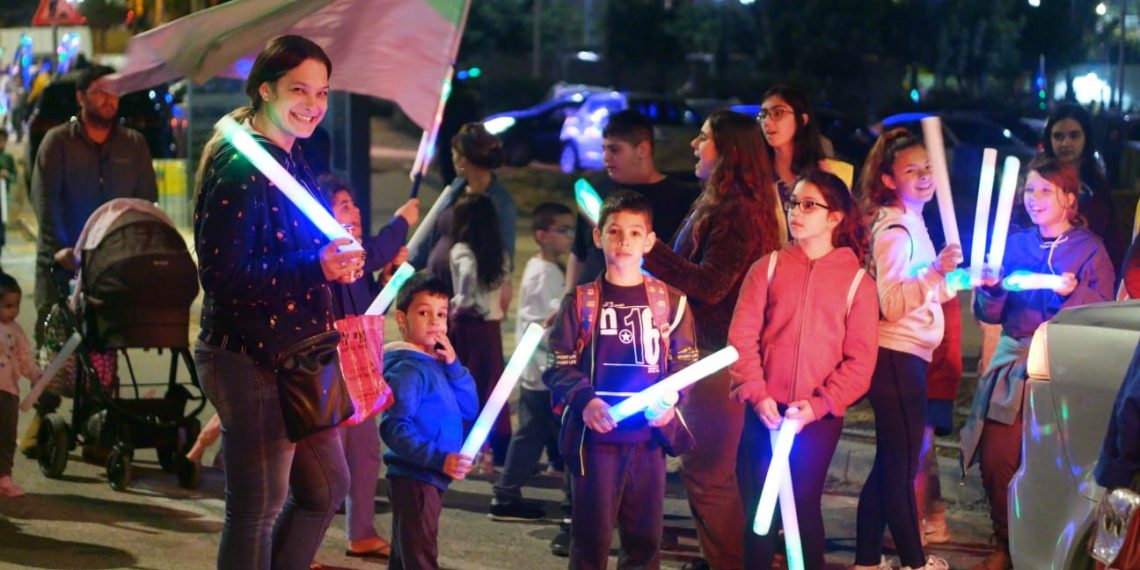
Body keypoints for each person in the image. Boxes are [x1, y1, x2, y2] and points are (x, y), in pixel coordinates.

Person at [192, 35, 360, 569]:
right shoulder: (240, 167)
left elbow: (296, 243)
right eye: (299, 90)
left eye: (323, 92)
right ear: (265, 89)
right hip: (247, 356)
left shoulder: (291, 154)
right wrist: (316, 266)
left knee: (327, 486)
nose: (313, 104)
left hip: (299, 352)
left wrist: (336, 257)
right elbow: (223, 277)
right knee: (257, 508)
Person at [642, 109, 784, 570]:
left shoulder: (739, 213)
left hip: (715, 358)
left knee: (707, 473)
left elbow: (710, 285)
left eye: (703, 138)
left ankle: (730, 562)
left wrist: (651, 250)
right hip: (699, 351)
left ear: (728, 153)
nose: (693, 145)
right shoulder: (719, 203)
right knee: (709, 471)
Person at [960, 157, 1115, 570]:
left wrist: (1067, 295)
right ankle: (1004, 541)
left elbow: (1097, 314)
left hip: (1062, 367)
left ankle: (1046, 547)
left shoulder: (1089, 249)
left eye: (1045, 190)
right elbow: (992, 313)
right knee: (997, 458)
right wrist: (990, 289)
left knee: (1055, 464)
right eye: (1029, 190)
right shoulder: (1014, 245)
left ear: (1068, 197)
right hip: (1015, 363)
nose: (1034, 199)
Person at [729, 170, 878, 570]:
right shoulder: (769, 268)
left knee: (803, 506)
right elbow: (742, 338)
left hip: (817, 416)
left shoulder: (858, 283)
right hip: (765, 409)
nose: (796, 211)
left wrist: (819, 405)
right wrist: (758, 394)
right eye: (794, 202)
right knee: (761, 510)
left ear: (835, 217)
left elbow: (860, 361)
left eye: (809, 204)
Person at [544, 190, 699, 570]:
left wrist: (670, 403)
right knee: (590, 542)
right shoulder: (580, 302)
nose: (624, 241)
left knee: (644, 542)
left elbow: (686, 365)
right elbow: (559, 365)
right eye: (614, 232)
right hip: (595, 443)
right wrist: (586, 400)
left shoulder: (672, 302)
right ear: (598, 237)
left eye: (634, 233)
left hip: (647, 442)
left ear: (649, 241)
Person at [852, 128, 959, 570]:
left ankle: (866, 560)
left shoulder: (913, 220)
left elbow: (932, 293)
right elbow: (892, 304)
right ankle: (915, 563)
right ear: (890, 179)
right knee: (899, 467)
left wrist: (960, 278)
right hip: (895, 356)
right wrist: (935, 272)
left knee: (889, 465)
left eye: (929, 168)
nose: (924, 177)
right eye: (911, 170)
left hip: (907, 356)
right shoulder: (895, 227)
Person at [320, 175, 419, 559]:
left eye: (354, 203)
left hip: (362, 372)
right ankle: (297, 545)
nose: (355, 211)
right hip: (328, 374)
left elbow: (367, 304)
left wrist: (389, 280)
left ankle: (361, 532)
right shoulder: (328, 255)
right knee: (326, 469)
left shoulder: (357, 258)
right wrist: (401, 221)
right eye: (344, 205)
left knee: (364, 456)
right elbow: (376, 250)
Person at [30, 64, 157, 343]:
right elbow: (45, 199)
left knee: (104, 363)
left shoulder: (134, 144)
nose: (108, 99)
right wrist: (61, 249)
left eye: (114, 92)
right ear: (80, 97)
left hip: (112, 269)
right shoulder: (58, 142)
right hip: (62, 268)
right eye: (100, 91)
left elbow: (145, 203)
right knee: (55, 357)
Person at [380, 271, 478, 570]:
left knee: (406, 556)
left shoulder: (435, 364)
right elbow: (394, 426)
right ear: (401, 319)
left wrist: (454, 367)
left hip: (428, 475)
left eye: (441, 313)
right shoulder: (409, 370)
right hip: (416, 476)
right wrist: (438, 458)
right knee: (420, 557)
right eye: (424, 313)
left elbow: (469, 408)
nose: (435, 321)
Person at [489, 202, 575, 521]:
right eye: (562, 230)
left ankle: (506, 494)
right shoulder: (547, 274)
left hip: (535, 371)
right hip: (545, 372)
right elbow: (549, 322)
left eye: (570, 230)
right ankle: (573, 504)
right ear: (542, 235)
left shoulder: (541, 268)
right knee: (567, 438)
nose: (569, 236)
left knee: (530, 434)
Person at [564, 109, 700, 290]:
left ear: (642, 149)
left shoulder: (682, 198)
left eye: (615, 149)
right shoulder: (594, 192)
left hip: (647, 310)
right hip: (590, 306)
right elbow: (579, 253)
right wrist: (567, 300)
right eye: (603, 149)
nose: (606, 158)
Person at [447, 192, 512, 469]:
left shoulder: (461, 250)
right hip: (491, 328)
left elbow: (467, 277)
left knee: (464, 386)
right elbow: (506, 289)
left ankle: (467, 448)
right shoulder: (499, 252)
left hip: (468, 327)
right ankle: (491, 450)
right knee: (490, 387)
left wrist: (458, 304)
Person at [411, 122, 516, 291]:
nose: (452, 160)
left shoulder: (500, 204)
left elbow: (504, 260)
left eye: (454, 154)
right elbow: (433, 234)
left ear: (462, 159)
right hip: (438, 289)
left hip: (467, 295)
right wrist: (406, 267)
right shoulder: (455, 189)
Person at [1042, 103, 1125, 270]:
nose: (1065, 143)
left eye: (1074, 136)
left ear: (1086, 138)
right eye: (1058, 136)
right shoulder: (1038, 184)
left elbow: (1114, 240)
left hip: (1095, 275)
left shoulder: (1097, 185)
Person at [914, 296, 962, 546]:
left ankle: (916, 529)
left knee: (917, 457)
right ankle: (934, 519)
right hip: (934, 375)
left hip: (927, 375)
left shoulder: (934, 278)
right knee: (924, 454)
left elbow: (942, 335)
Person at [0, 273, 42, 498]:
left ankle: (4, 477)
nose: (14, 311)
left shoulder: (15, 330)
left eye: (16, 305)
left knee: (6, 437)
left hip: (8, 393)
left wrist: (36, 375)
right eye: (8, 306)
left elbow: (24, 357)